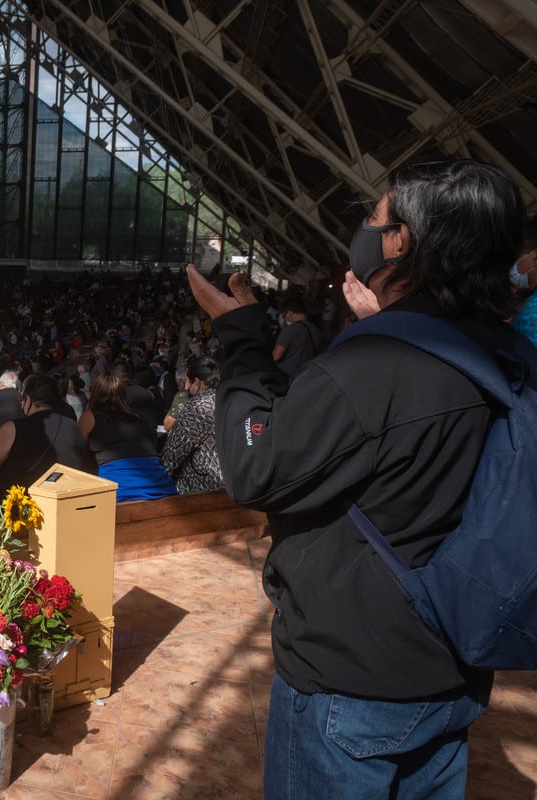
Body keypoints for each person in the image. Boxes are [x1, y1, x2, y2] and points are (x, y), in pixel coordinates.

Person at [186, 160, 518, 799]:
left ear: (402, 242)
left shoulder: (375, 364)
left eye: (375, 216)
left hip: (354, 682)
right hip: (455, 666)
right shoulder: (499, 350)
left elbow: (256, 469)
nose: (364, 227)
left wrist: (242, 340)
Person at [0, 374, 89, 502]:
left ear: (28, 400)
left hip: (17, 507)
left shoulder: (12, 429)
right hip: (59, 501)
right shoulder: (72, 426)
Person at [78, 373, 176, 501]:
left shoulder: (89, 417)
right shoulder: (136, 416)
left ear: (95, 392)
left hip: (120, 491)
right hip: (160, 486)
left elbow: (82, 451)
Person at [159, 357, 224, 495]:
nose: (186, 388)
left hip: (201, 489)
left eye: (188, 382)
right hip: (231, 482)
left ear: (197, 382)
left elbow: (171, 457)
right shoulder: (229, 400)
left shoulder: (198, 407)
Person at [271, 297, 319, 381]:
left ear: (290, 313)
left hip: (286, 376)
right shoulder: (316, 330)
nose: (284, 318)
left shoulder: (290, 329)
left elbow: (276, 356)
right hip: (305, 375)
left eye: (284, 315)